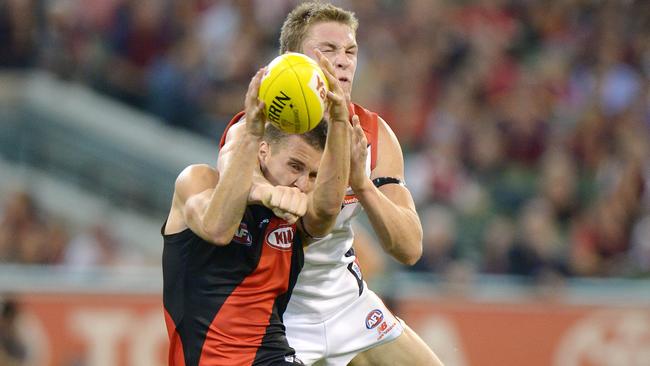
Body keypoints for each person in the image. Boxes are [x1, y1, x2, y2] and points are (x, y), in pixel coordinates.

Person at [218, 3, 444, 365]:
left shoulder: (374, 134)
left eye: (350, 51)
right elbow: (238, 200)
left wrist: (363, 185)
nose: (343, 61)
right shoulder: (255, 129)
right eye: (328, 49)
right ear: (293, 61)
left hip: (345, 301)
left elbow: (409, 248)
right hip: (274, 312)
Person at [163, 53, 351, 366]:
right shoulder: (197, 180)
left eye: (313, 175)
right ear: (263, 151)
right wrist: (251, 134)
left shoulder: (293, 220)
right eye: (295, 166)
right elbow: (217, 227)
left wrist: (341, 122)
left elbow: (326, 215)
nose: (302, 184)